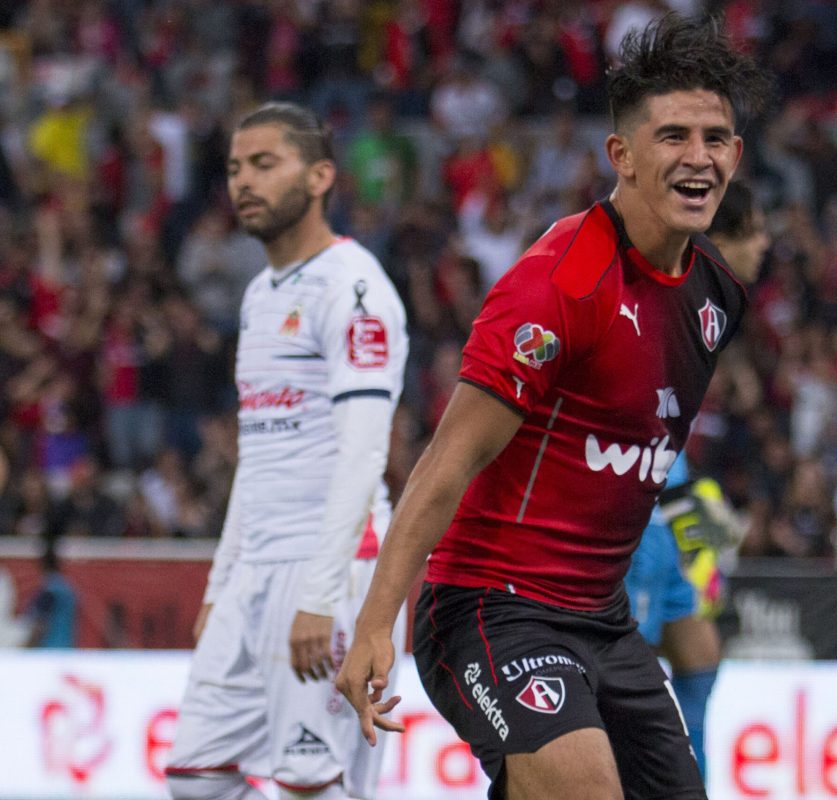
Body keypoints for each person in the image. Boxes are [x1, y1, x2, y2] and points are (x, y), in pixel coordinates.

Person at [336, 15, 772, 800]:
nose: (698, 157)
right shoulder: (559, 285)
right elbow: (451, 459)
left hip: (602, 620)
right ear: (623, 156)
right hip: (490, 608)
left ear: (736, 156)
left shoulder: (715, 297)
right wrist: (376, 623)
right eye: (673, 136)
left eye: (715, 138)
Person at [165, 103, 408, 800]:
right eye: (236, 167)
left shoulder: (353, 288)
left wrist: (320, 594)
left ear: (321, 175)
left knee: (311, 780)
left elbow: (365, 452)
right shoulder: (258, 295)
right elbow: (259, 452)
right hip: (257, 568)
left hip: (329, 565)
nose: (244, 181)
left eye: (265, 164)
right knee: (196, 776)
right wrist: (221, 585)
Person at [623, 179, 767, 780]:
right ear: (725, 237)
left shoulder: (716, 307)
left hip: (669, 496)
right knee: (620, 679)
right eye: (754, 232)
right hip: (633, 512)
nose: (764, 245)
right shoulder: (674, 292)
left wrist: (691, 523)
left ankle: (690, 783)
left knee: (701, 653)